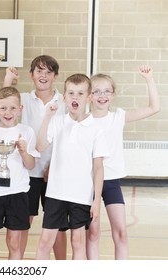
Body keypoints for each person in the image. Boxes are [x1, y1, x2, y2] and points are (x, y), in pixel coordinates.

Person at [86, 66, 160, 260]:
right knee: (92, 233)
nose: (102, 95)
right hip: (88, 182)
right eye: (97, 91)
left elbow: (154, 108)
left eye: (107, 91)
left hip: (111, 181)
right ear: (89, 96)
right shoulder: (84, 121)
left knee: (121, 233)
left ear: (113, 94)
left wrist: (149, 79)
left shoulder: (118, 117)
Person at [35, 73, 109, 260]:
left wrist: (96, 201)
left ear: (89, 97)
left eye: (80, 93)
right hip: (55, 193)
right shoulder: (57, 121)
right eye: (71, 93)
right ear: (64, 97)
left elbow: (98, 167)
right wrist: (46, 117)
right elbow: (40, 146)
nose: (75, 97)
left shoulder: (97, 128)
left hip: (81, 195)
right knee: (45, 242)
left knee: (78, 243)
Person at [3, 55, 67, 259]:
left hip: (54, 173)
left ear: (55, 76)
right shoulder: (23, 99)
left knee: (56, 225)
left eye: (49, 72)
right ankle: (18, 266)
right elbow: (4, 100)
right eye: (39, 71)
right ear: (31, 75)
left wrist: (53, 164)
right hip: (27, 172)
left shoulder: (64, 101)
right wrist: (7, 78)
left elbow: (65, 138)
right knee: (23, 222)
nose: (44, 75)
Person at [0, 86, 40, 260]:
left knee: (14, 242)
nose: (8, 112)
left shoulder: (27, 132)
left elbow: (30, 165)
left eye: (13, 108)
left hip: (17, 192)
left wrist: (23, 151)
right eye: (4, 108)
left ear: (20, 109)